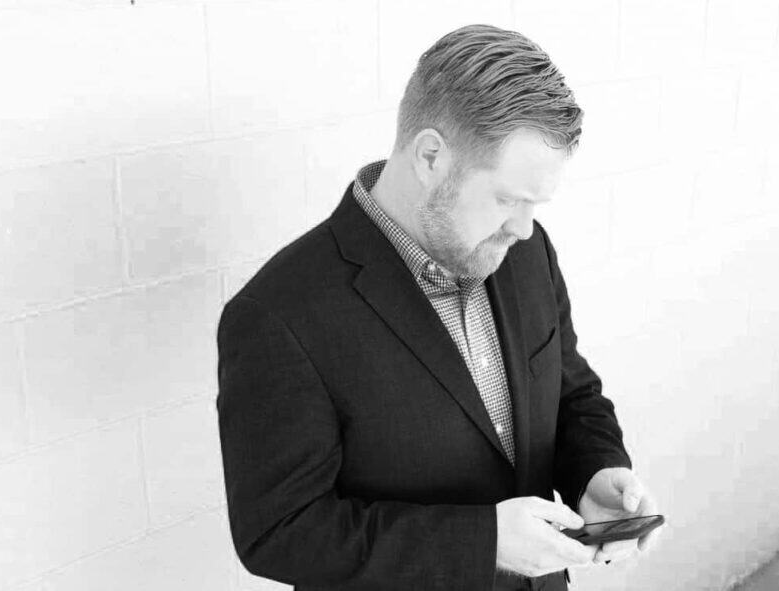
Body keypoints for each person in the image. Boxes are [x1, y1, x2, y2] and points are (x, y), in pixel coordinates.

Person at [216, 24, 660, 591]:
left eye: (535, 204)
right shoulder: (277, 316)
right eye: (507, 198)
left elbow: (571, 395)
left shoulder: (525, 250)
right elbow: (280, 533)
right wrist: (483, 542)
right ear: (431, 157)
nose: (525, 228)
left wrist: (595, 472)